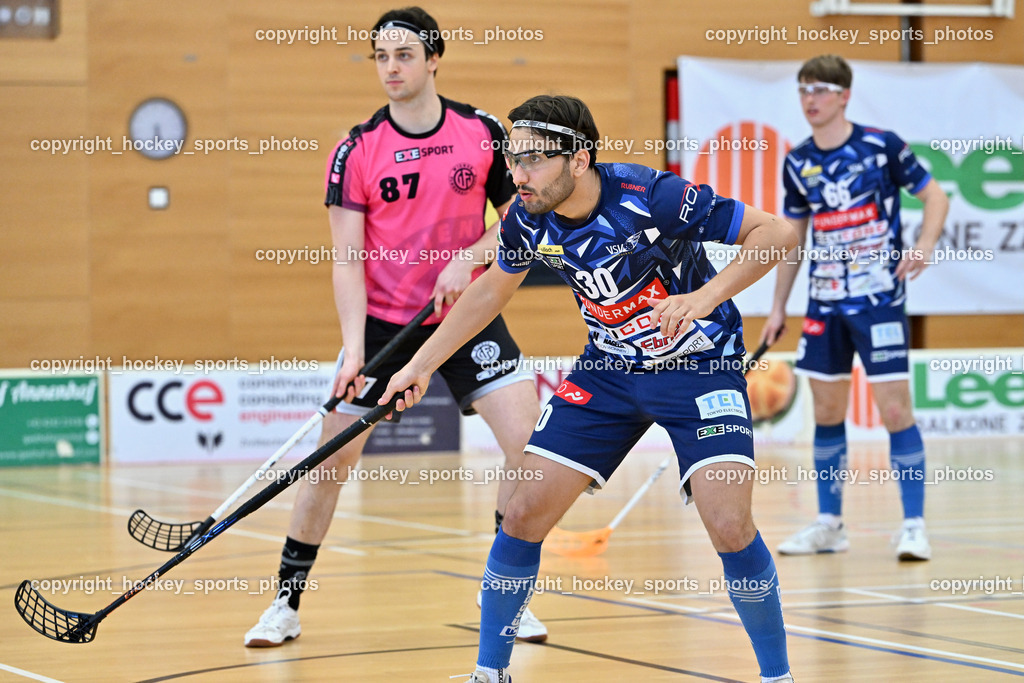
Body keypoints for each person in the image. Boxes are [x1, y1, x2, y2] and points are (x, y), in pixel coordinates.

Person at [381, 95, 798, 683]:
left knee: (729, 524)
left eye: (530, 161)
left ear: (578, 160)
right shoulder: (527, 215)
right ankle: (489, 673)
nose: (516, 176)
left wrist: (702, 300)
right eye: (512, 159)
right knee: (522, 510)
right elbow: (489, 292)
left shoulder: (653, 196)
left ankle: (777, 676)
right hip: (608, 372)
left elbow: (775, 234)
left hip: (701, 369)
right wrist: (421, 364)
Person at [244, 7, 548, 647]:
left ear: (434, 58)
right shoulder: (356, 149)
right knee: (330, 463)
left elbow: (523, 212)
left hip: (468, 316)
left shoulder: (483, 132)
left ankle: (506, 597)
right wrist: (354, 346)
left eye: (404, 55)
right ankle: (285, 603)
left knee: (529, 444)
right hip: (386, 324)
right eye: (381, 56)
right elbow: (346, 257)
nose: (391, 67)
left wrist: (470, 255)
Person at [762, 55, 949, 561]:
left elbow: (935, 197)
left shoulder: (880, 146)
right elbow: (792, 237)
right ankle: (829, 523)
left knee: (893, 409)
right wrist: (779, 306)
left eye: (820, 90)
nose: (810, 100)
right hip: (825, 301)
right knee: (826, 410)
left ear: (844, 95)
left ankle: (913, 525)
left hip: (879, 301)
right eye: (803, 90)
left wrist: (925, 246)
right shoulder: (798, 161)